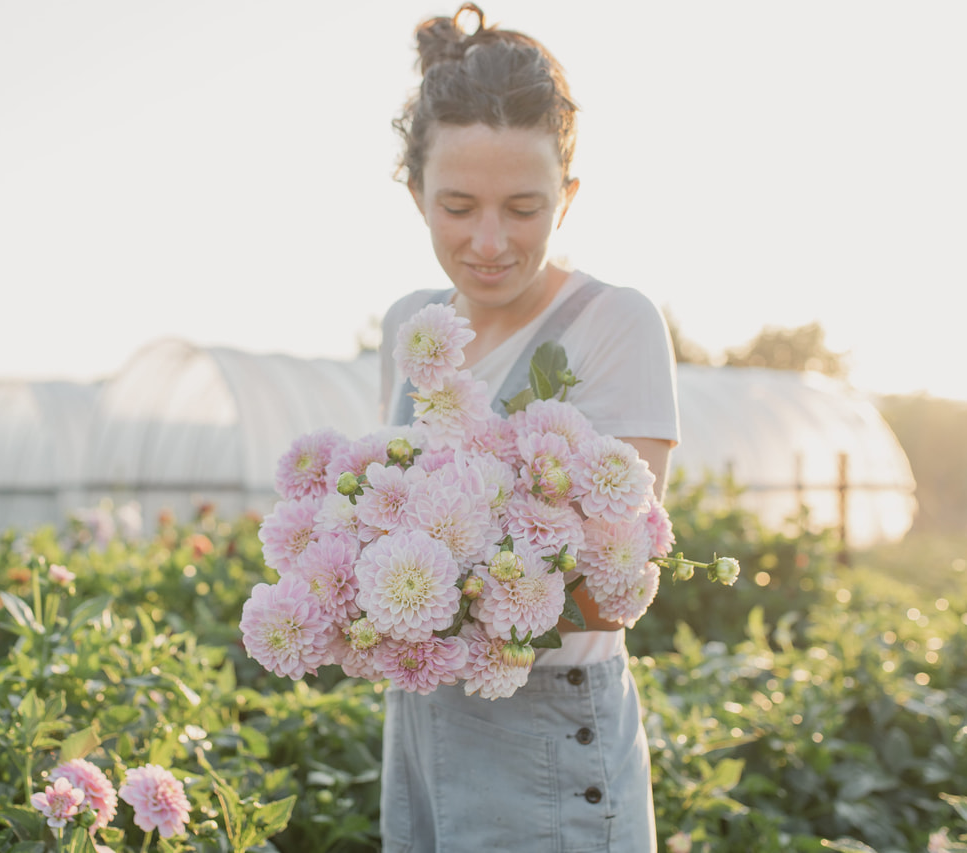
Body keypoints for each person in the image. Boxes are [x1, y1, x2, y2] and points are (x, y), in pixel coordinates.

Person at [377, 5, 680, 851]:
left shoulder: (614, 324)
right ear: (415, 196)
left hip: (550, 736)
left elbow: (616, 583)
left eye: (523, 208)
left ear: (568, 196)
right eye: (458, 206)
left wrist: (405, 602)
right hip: (420, 724)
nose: (489, 241)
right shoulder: (409, 321)